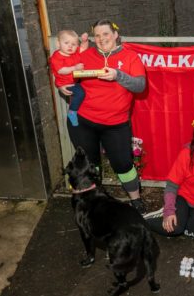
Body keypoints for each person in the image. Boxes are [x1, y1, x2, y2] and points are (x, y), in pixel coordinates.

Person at [63, 19, 147, 214]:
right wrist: (62, 86)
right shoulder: (86, 55)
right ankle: (95, 201)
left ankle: (136, 200)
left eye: (106, 34)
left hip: (115, 123)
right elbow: (65, 74)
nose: (101, 39)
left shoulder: (130, 57)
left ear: (115, 35)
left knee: (123, 164)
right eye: (97, 35)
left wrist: (118, 75)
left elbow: (140, 86)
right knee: (90, 165)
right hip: (83, 121)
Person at [143, 114, 194, 237]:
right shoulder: (187, 153)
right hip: (184, 198)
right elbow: (171, 186)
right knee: (174, 228)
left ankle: (183, 219)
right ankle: (143, 222)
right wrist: (169, 210)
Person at [50, 30, 86, 127]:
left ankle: (76, 109)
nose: (70, 46)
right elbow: (61, 70)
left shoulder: (74, 54)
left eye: (73, 44)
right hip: (65, 83)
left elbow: (82, 48)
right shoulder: (56, 56)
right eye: (66, 43)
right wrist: (74, 68)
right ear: (58, 44)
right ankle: (72, 112)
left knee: (82, 92)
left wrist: (84, 41)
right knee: (80, 93)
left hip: (74, 81)